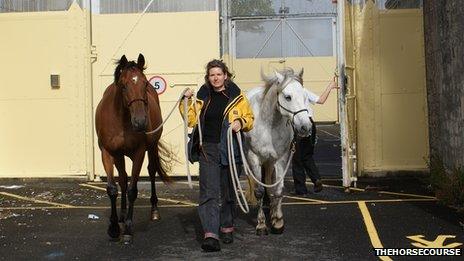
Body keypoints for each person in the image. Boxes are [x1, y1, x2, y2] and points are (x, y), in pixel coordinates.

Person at [179, 59, 254, 252]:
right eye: (212, 75)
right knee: (209, 192)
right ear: (208, 77)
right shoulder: (202, 96)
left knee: (228, 191)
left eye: (219, 74)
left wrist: (240, 122)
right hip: (208, 149)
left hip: (230, 149)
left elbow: (250, 119)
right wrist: (184, 100)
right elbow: (191, 119)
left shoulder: (238, 97)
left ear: (225, 76)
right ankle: (211, 234)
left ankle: (227, 225)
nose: (215, 78)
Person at [292, 77, 339, 195]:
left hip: (299, 124)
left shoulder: (292, 94)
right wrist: (330, 86)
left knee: (297, 158)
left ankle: (301, 189)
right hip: (310, 123)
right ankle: (316, 179)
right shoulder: (304, 91)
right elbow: (321, 100)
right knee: (307, 155)